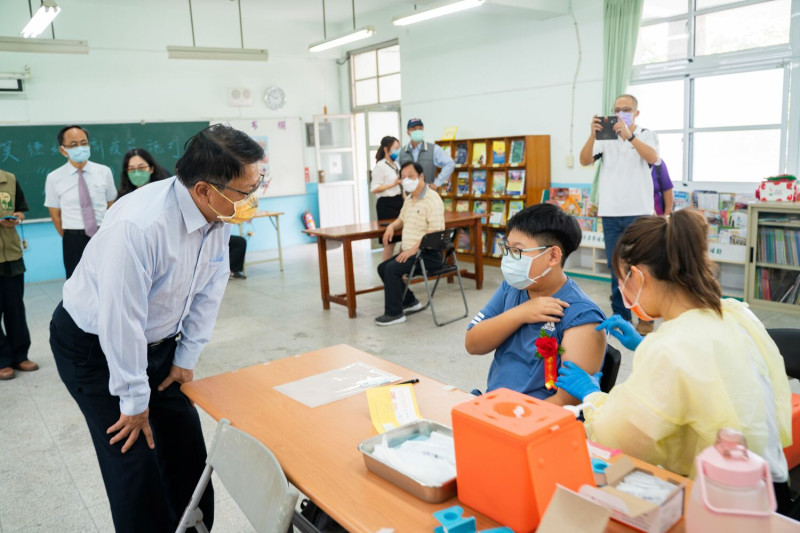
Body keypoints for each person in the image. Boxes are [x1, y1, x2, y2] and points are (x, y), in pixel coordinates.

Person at [49, 124, 264, 532]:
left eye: (258, 184)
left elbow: (211, 288)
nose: (252, 198)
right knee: (134, 460)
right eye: (246, 190)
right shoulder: (139, 227)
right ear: (204, 189)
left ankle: (193, 527)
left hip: (159, 342)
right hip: (93, 348)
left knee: (186, 450)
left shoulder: (220, 212)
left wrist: (185, 358)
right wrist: (132, 400)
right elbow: (120, 320)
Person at [555, 210, 792, 511]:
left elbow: (621, 437)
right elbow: (709, 368)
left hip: (725, 504)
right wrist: (644, 343)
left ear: (638, 276)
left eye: (621, 280)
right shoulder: (735, 313)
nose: (622, 290)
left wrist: (592, 395)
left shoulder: (669, 348)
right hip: (771, 485)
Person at [465, 203, 606, 404]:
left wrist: (510, 416)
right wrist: (520, 313)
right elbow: (472, 343)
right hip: (496, 404)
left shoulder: (581, 316)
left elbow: (568, 400)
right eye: (507, 248)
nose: (508, 258)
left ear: (553, 256)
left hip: (537, 420)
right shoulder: (511, 288)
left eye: (518, 251)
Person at [579, 94, 659, 336]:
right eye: (617, 109)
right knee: (618, 268)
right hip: (612, 212)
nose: (621, 112)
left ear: (636, 112)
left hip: (640, 213)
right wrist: (592, 135)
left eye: (626, 109)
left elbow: (653, 158)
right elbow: (584, 160)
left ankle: (645, 315)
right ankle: (620, 316)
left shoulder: (646, 133)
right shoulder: (606, 138)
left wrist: (630, 136)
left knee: (642, 268)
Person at [376, 161, 445, 326]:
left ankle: (395, 314)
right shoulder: (409, 199)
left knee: (392, 269)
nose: (407, 180)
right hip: (413, 253)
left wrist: (413, 250)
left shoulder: (433, 200)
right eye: (403, 177)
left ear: (421, 177)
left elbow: (435, 234)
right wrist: (391, 227)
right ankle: (410, 302)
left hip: (428, 254)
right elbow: (401, 219)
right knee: (383, 267)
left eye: (411, 176)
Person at [45, 125, 117, 279]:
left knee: (108, 278)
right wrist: (70, 236)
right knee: (76, 282)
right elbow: (55, 214)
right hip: (73, 238)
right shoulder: (54, 177)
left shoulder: (104, 171)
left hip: (103, 233)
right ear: (63, 150)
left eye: (84, 143)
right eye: (73, 144)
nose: (80, 147)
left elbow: (111, 204)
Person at [0, 170, 37, 380]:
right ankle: (1, 360)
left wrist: (17, 217)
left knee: (15, 308)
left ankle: (20, 355)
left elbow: (21, 210)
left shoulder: (9, 179)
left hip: (12, 254)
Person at [398, 118, 455, 190]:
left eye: (420, 129)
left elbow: (450, 163)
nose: (418, 131)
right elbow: (397, 173)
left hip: (428, 193)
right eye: (414, 129)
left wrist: (437, 183)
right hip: (409, 195)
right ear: (408, 132)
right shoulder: (402, 152)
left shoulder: (434, 149)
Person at [371, 135, 403, 261]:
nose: (396, 151)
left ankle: (400, 270)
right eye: (394, 148)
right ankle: (387, 272)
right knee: (390, 242)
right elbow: (375, 188)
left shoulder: (396, 164)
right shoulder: (380, 166)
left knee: (405, 239)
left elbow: (400, 185)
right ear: (386, 149)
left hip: (399, 202)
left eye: (398, 148)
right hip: (386, 205)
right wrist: (393, 184)